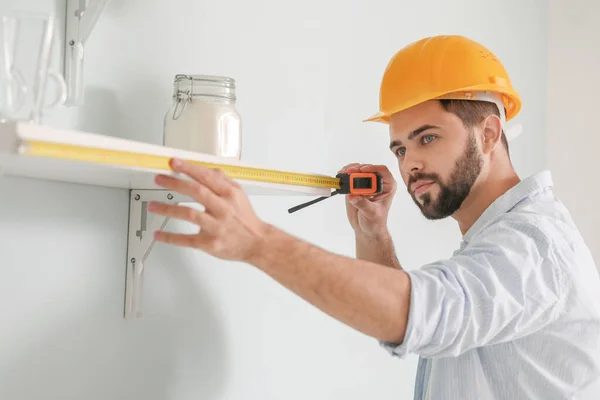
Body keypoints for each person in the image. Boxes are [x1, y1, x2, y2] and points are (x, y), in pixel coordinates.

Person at [147, 35, 600, 399]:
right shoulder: (498, 240)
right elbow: (425, 325)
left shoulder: (535, 245)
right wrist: (374, 232)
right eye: (400, 148)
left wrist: (259, 242)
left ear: (488, 133)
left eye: (426, 139)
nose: (409, 166)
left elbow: (420, 313)